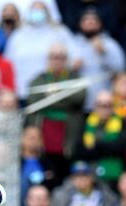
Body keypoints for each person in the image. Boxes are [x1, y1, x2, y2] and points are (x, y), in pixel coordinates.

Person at [27, 42, 86, 172]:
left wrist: (52, 96)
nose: (57, 61)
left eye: (61, 57)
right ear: (48, 59)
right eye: (54, 57)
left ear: (67, 59)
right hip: (44, 131)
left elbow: (79, 98)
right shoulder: (39, 79)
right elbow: (34, 99)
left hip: (68, 133)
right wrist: (65, 96)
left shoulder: (75, 78)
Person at [3, 1, 74, 101]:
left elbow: (76, 59)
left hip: (50, 95)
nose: (36, 13)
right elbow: (7, 63)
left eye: (40, 10)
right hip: (21, 94)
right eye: (34, 10)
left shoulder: (60, 32)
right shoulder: (17, 35)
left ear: (47, 12)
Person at [70, 8, 126, 111]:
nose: (90, 22)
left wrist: (104, 54)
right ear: (80, 23)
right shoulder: (72, 44)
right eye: (86, 19)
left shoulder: (110, 44)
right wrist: (72, 67)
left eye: (94, 20)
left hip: (104, 104)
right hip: (78, 104)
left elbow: (120, 71)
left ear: (100, 23)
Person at [75, 90, 126, 186]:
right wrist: (106, 146)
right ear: (95, 106)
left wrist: (96, 146)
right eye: (101, 105)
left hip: (114, 174)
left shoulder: (121, 122)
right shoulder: (86, 122)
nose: (105, 109)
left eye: (108, 105)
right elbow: (79, 149)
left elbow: (120, 147)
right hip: (90, 173)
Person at [19, 125, 60, 206]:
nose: (34, 140)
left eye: (38, 137)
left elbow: (54, 183)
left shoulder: (49, 162)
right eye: (31, 137)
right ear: (22, 140)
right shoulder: (16, 162)